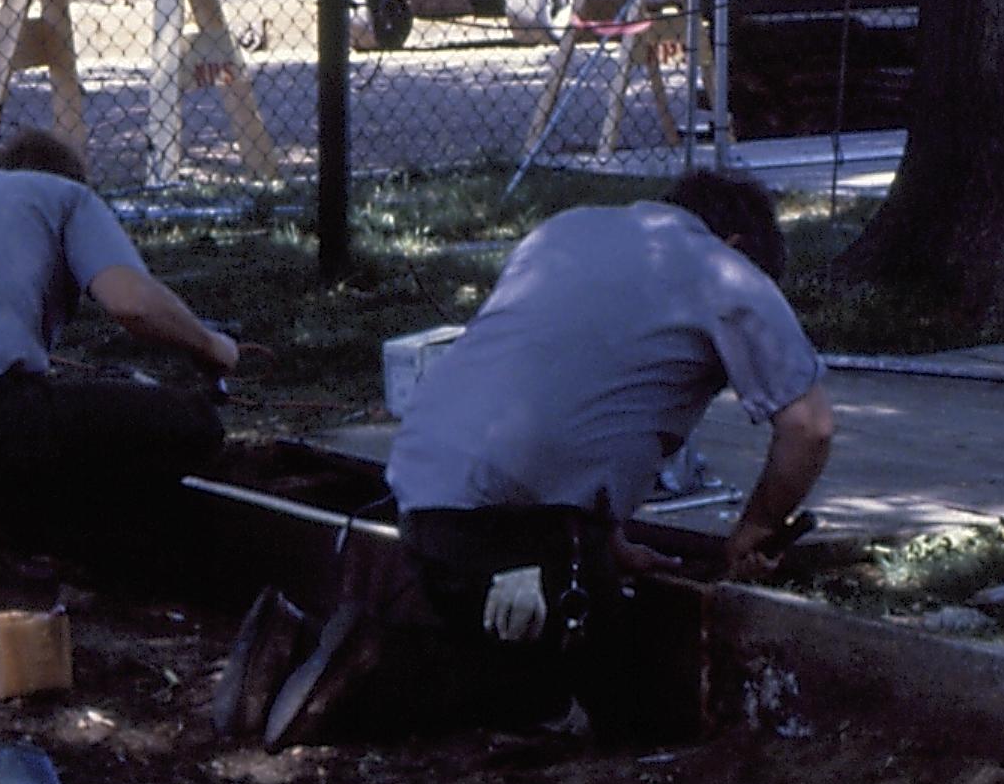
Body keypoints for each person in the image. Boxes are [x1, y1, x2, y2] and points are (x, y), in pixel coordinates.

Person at [241, 168, 835, 747]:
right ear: (738, 245)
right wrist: (755, 528)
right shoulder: (725, 272)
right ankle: (366, 676)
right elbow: (809, 429)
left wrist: (607, 542)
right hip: (522, 528)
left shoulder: (567, 231)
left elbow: (560, 391)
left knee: (499, 630)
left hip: (425, 504)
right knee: (594, 700)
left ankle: (300, 646)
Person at [0, 127, 242, 576]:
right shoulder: (67, 197)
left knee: (14, 413)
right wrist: (211, 345)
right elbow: (132, 303)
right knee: (193, 425)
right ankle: (6, 522)